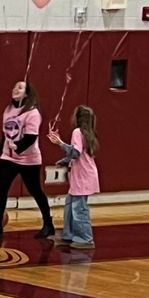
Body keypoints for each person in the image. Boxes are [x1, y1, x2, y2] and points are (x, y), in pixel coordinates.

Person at [0, 81, 55, 240]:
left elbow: (31, 137)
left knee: (35, 190)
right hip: (8, 157)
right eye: (14, 86)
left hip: (28, 159)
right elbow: (6, 133)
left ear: (27, 94)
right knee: (0, 189)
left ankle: (48, 224)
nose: (15, 89)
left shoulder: (33, 113)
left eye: (20, 87)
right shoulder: (8, 110)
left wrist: (17, 147)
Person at [49, 106, 100, 250]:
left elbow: (76, 153)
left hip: (83, 177)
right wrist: (65, 160)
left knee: (79, 209)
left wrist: (60, 143)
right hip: (84, 176)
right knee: (70, 206)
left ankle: (85, 239)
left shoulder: (77, 132)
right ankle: (69, 235)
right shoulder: (88, 133)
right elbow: (81, 155)